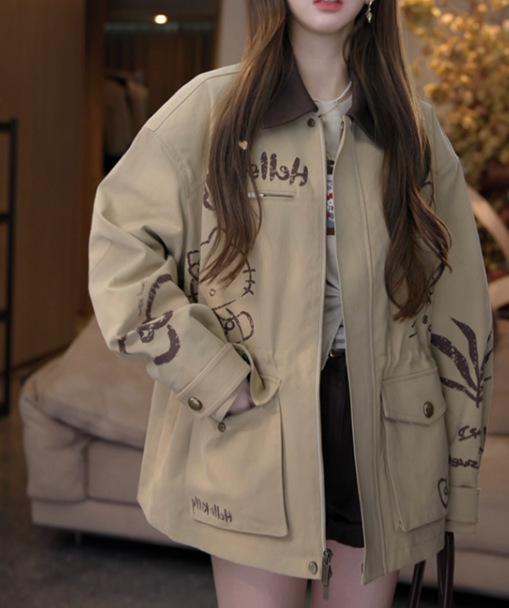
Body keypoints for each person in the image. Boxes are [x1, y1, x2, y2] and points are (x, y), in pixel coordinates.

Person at [88, 1, 493, 606]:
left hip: (388, 433)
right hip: (256, 424)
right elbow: (120, 254)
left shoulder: (413, 129)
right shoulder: (210, 110)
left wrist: (458, 473)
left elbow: (462, 310)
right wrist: (214, 376)